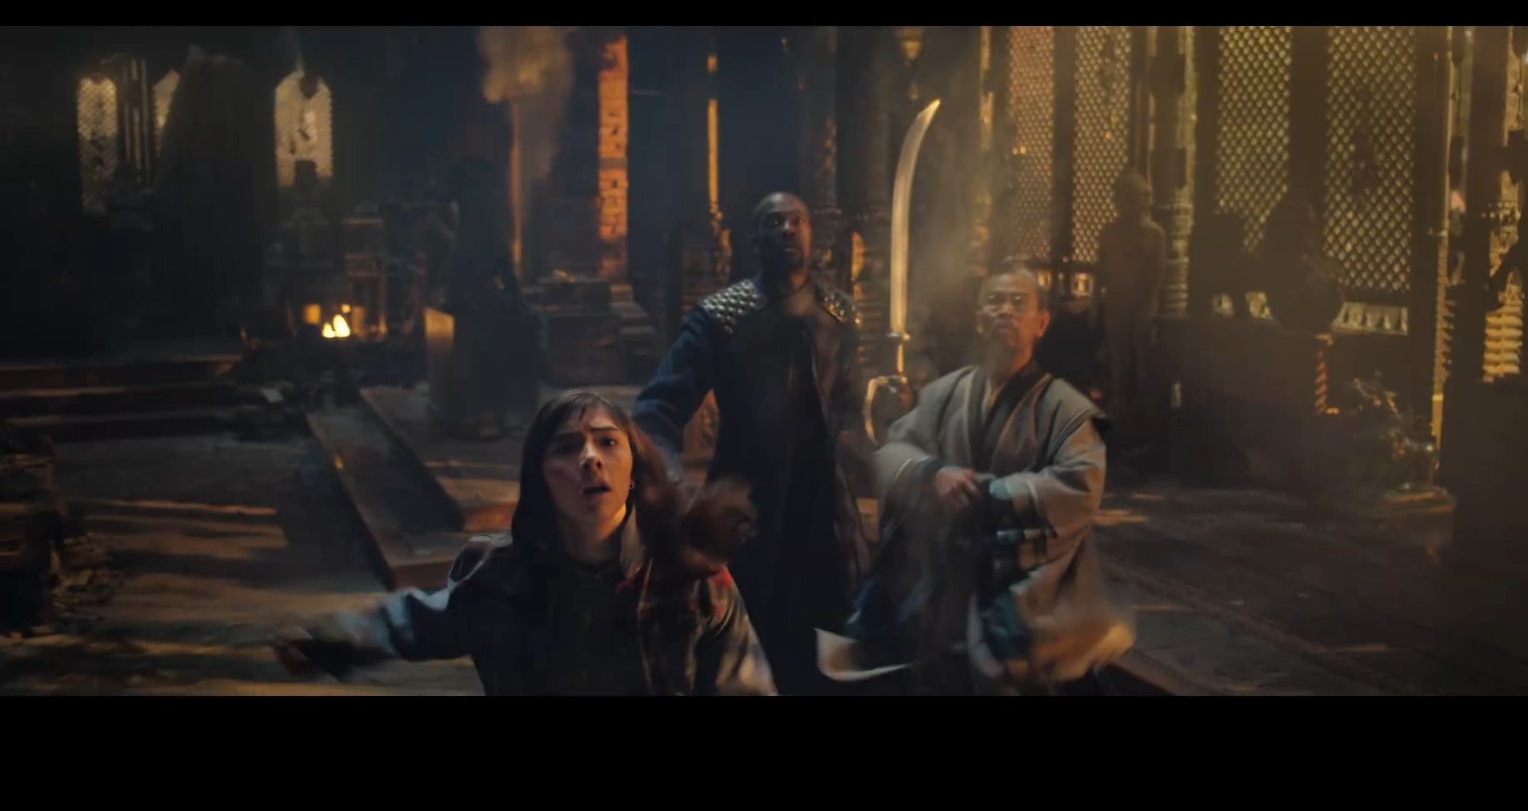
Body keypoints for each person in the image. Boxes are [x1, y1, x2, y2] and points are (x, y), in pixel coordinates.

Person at [274, 391, 776, 696]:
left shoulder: (694, 584)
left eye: (607, 442)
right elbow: (419, 621)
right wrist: (329, 640)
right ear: (541, 477)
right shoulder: (503, 581)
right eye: (566, 447)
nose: (589, 459)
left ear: (633, 470)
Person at [826, 261, 1133, 695]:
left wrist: (988, 492)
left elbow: (1079, 485)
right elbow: (892, 452)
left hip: (1021, 578)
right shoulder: (945, 393)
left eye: (1018, 303)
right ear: (978, 318)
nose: (1005, 310)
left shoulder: (1066, 409)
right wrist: (933, 473)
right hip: (944, 573)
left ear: (1041, 323)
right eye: (994, 302)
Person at [633, 192, 871, 695]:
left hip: (827, 515)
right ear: (755, 241)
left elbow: (852, 411)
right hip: (747, 511)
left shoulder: (840, 316)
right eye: (773, 222)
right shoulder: (722, 317)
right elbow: (655, 410)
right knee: (746, 652)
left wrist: (876, 444)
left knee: (834, 653)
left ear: (812, 234)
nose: (786, 229)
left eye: (796, 220)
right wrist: (677, 488)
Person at [1096, 168, 1167, 431]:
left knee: (1141, 357)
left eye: (1129, 197)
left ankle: (1141, 409)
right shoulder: (1109, 232)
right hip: (1116, 302)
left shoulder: (1155, 234)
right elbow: (1101, 270)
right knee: (1118, 357)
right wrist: (1095, 302)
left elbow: (1156, 275)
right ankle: (1119, 406)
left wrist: (1148, 308)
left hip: (1141, 305)